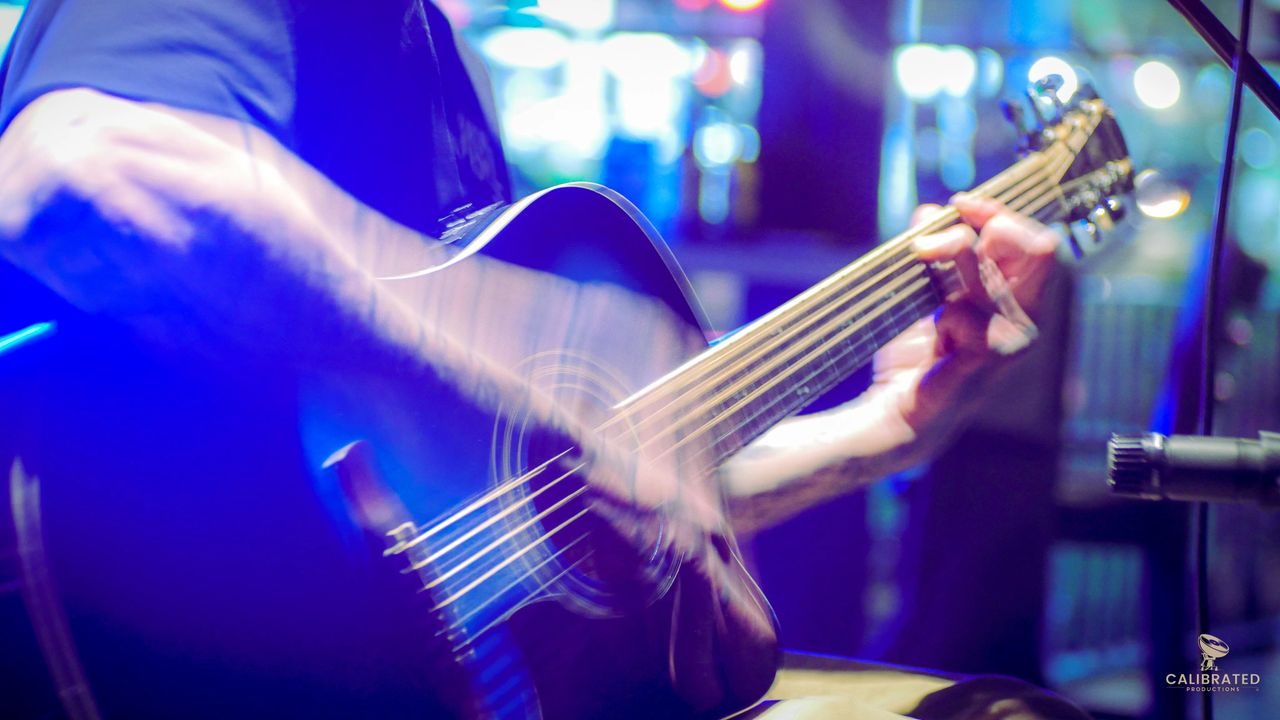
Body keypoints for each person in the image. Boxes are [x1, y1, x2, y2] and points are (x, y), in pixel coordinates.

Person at [0, 1, 1087, 718]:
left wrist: (885, 430)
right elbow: (80, 179)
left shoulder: (422, 49)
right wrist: (516, 353)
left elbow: (552, 510)